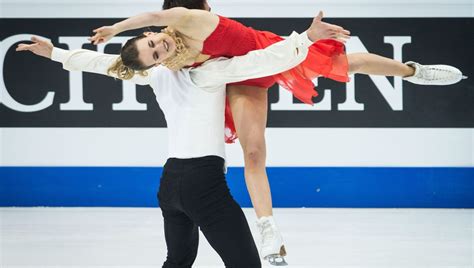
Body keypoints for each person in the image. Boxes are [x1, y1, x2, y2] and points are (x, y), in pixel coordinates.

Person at [88, 2, 466, 261]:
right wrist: (66, 54)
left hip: (271, 55)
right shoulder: (173, 59)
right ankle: (268, 227)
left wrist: (115, 27)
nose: (159, 43)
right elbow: (133, 64)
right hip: (244, 79)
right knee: (253, 153)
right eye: (155, 47)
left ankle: (416, 72)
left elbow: (154, 15)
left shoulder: (193, 22)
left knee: (351, 64)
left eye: (156, 39)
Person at [17, 14, 326, 266]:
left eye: (153, 43)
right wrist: (307, 38)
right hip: (203, 186)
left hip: (170, 185)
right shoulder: (206, 73)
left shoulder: (158, 76)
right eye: (154, 54)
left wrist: (55, 53)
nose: (159, 47)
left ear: (151, 32)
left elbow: (102, 63)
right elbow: (262, 61)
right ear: (155, 64)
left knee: (178, 261)